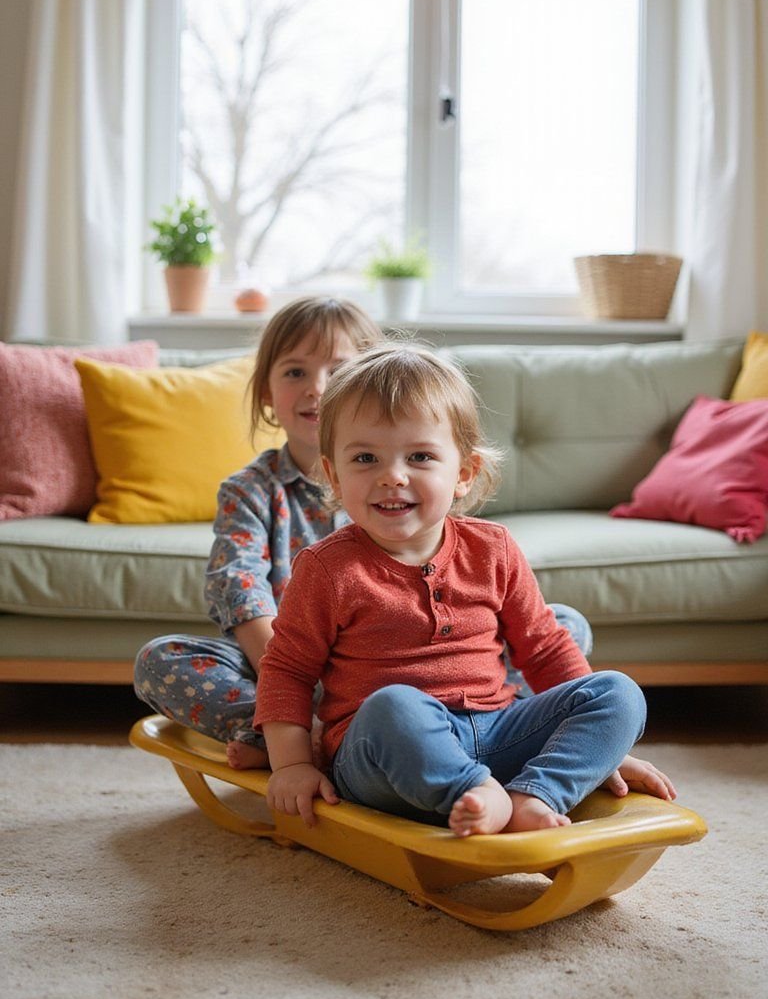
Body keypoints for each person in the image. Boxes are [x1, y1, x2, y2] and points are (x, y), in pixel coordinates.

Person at [134, 298, 592, 773]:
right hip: (282, 659)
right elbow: (240, 592)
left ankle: (490, 724)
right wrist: (297, 694)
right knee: (160, 660)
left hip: (410, 672)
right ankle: (288, 736)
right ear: (266, 390)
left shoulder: (421, 498)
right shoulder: (249, 491)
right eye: (295, 372)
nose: (317, 388)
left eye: (337, 371)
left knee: (566, 626)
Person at [255, 343, 676, 836]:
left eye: (420, 456)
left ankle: (534, 795)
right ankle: (474, 790)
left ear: (464, 473)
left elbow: (544, 648)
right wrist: (292, 765)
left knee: (618, 693)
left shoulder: (493, 548)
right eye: (365, 458)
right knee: (394, 706)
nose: (392, 476)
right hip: (385, 754)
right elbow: (287, 671)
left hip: (498, 730)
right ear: (333, 475)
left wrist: (605, 753)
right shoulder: (327, 569)